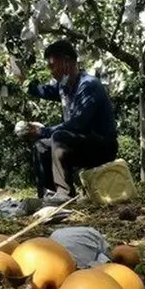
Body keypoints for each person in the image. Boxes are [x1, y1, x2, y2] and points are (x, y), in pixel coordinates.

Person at [17, 39, 118, 205]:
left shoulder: (88, 85)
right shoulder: (64, 86)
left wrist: (41, 131)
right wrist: (24, 81)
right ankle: (49, 195)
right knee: (41, 146)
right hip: (80, 144)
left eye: (52, 66)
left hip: (102, 146)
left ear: (67, 62)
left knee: (59, 137)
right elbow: (41, 90)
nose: (51, 72)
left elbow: (77, 124)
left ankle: (65, 194)